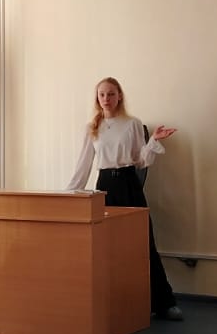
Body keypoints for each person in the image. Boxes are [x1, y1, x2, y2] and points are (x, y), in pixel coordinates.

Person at [66, 77, 181, 321]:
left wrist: (153, 141)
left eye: (110, 94)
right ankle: (116, 302)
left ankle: (163, 303)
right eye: (102, 95)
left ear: (119, 96)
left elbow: (141, 160)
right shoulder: (92, 127)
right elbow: (83, 165)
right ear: (97, 98)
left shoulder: (132, 124)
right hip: (105, 186)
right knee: (108, 246)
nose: (106, 99)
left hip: (129, 184)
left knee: (143, 242)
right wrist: (70, 194)